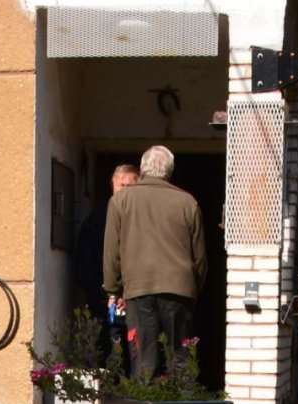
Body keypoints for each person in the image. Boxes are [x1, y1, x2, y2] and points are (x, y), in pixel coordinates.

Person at [103, 145, 207, 381]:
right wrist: (193, 289)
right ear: (170, 171)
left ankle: (144, 402)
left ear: (142, 169)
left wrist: (113, 289)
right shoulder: (188, 202)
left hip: (138, 289)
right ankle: (184, 403)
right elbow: (200, 257)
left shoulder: (120, 200)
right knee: (182, 358)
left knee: (143, 360)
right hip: (179, 289)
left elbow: (111, 252)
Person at [73, 163, 139, 334]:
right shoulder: (97, 219)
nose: (125, 191)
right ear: (113, 186)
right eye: (121, 185)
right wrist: (104, 291)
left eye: (130, 187)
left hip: (138, 300)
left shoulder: (144, 220)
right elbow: (84, 264)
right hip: (103, 301)